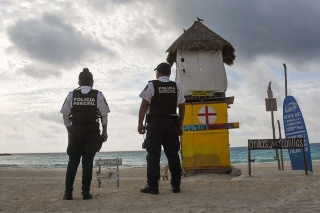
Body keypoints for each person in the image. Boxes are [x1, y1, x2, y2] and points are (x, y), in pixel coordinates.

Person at [60, 68, 110, 200]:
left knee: (73, 162)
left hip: (75, 131)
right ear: (92, 82)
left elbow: (65, 115)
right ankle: (86, 192)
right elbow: (104, 116)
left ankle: (68, 193)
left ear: (79, 81)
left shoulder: (72, 95)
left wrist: (70, 130)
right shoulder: (98, 95)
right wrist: (105, 131)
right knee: (87, 162)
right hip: (92, 131)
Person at [138, 62, 185, 194]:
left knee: (153, 155)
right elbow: (182, 107)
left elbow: (143, 106)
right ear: (169, 73)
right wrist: (180, 124)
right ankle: (176, 185)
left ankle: (153, 186)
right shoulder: (177, 87)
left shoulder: (152, 85)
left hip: (155, 123)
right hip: (171, 123)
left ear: (158, 73)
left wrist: (140, 123)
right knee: (173, 155)